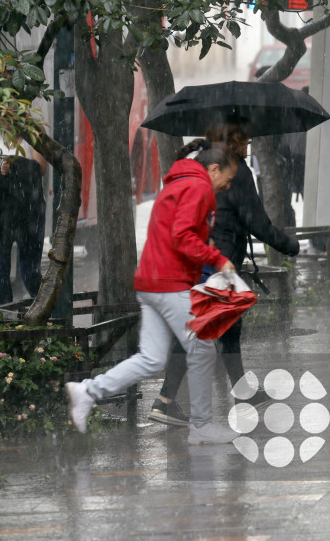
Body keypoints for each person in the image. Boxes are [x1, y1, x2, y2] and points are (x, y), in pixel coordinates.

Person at [66, 139, 240, 444]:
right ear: (214, 169)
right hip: (169, 284)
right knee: (202, 349)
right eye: (227, 179)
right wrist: (218, 258)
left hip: (150, 281)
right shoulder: (198, 188)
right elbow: (183, 236)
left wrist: (204, 249)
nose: (227, 187)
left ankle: (88, 391)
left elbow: (178, 234)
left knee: (152, 358)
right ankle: (201, 425)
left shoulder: (178, 183)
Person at [148, 120, 300, 427]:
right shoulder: (237, 171)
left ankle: (242, 393)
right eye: (245, 142)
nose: (248, 148)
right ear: (233, 143)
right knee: (196, 329)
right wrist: (288, 245)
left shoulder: (197, 165)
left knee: (227, 329)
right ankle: (164, 400)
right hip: (217, 262)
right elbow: (255, 220)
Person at [0, 138, 46, 304]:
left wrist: (15, 164)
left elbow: (41, 169)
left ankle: (44, 311)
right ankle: (4, 318)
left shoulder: (32, 135)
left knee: (29, 271)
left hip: (28, 212)